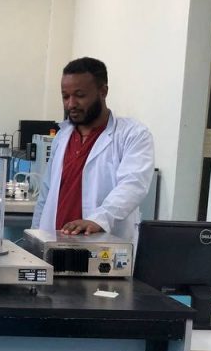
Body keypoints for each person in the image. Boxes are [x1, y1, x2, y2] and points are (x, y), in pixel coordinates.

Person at [31, 57, 154, 242]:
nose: (71, 104)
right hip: (55, 244)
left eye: (80, 95)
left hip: (103, 247)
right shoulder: (62, 137)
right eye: (65, 96)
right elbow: (46, 195)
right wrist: (34, 237)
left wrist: (98, 219)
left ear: (103, 91)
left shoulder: (132, 134)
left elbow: (133, 185)